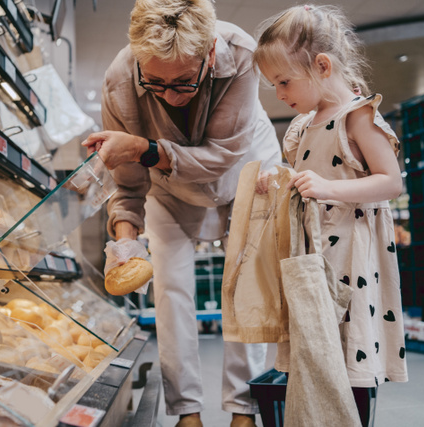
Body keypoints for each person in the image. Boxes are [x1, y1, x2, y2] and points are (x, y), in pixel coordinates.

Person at [81, 1, 281, 426]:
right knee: (171, 291)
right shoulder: (119, 80)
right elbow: (130, 181)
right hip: (168, 187)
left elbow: (223, 156)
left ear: (209, 53)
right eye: (154, 82)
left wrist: (143, 148)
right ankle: (187, 413)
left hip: (247, 169)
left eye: (184, 81)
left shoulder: (240, 53)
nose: (170, 95)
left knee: (245, 288)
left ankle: (244, 412)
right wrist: (124, 239)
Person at [252, 4, 408, 425]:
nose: (280, 94)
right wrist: (280, 178)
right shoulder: (302, 126)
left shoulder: (357, 116)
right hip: (313, 256)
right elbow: (307, 176)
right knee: (317, 349)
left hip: (351, 257)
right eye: (273, 85)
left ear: (322, 65)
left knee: (348, 356)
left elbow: (390, 182)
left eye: (284, 81)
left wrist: (329, 189)